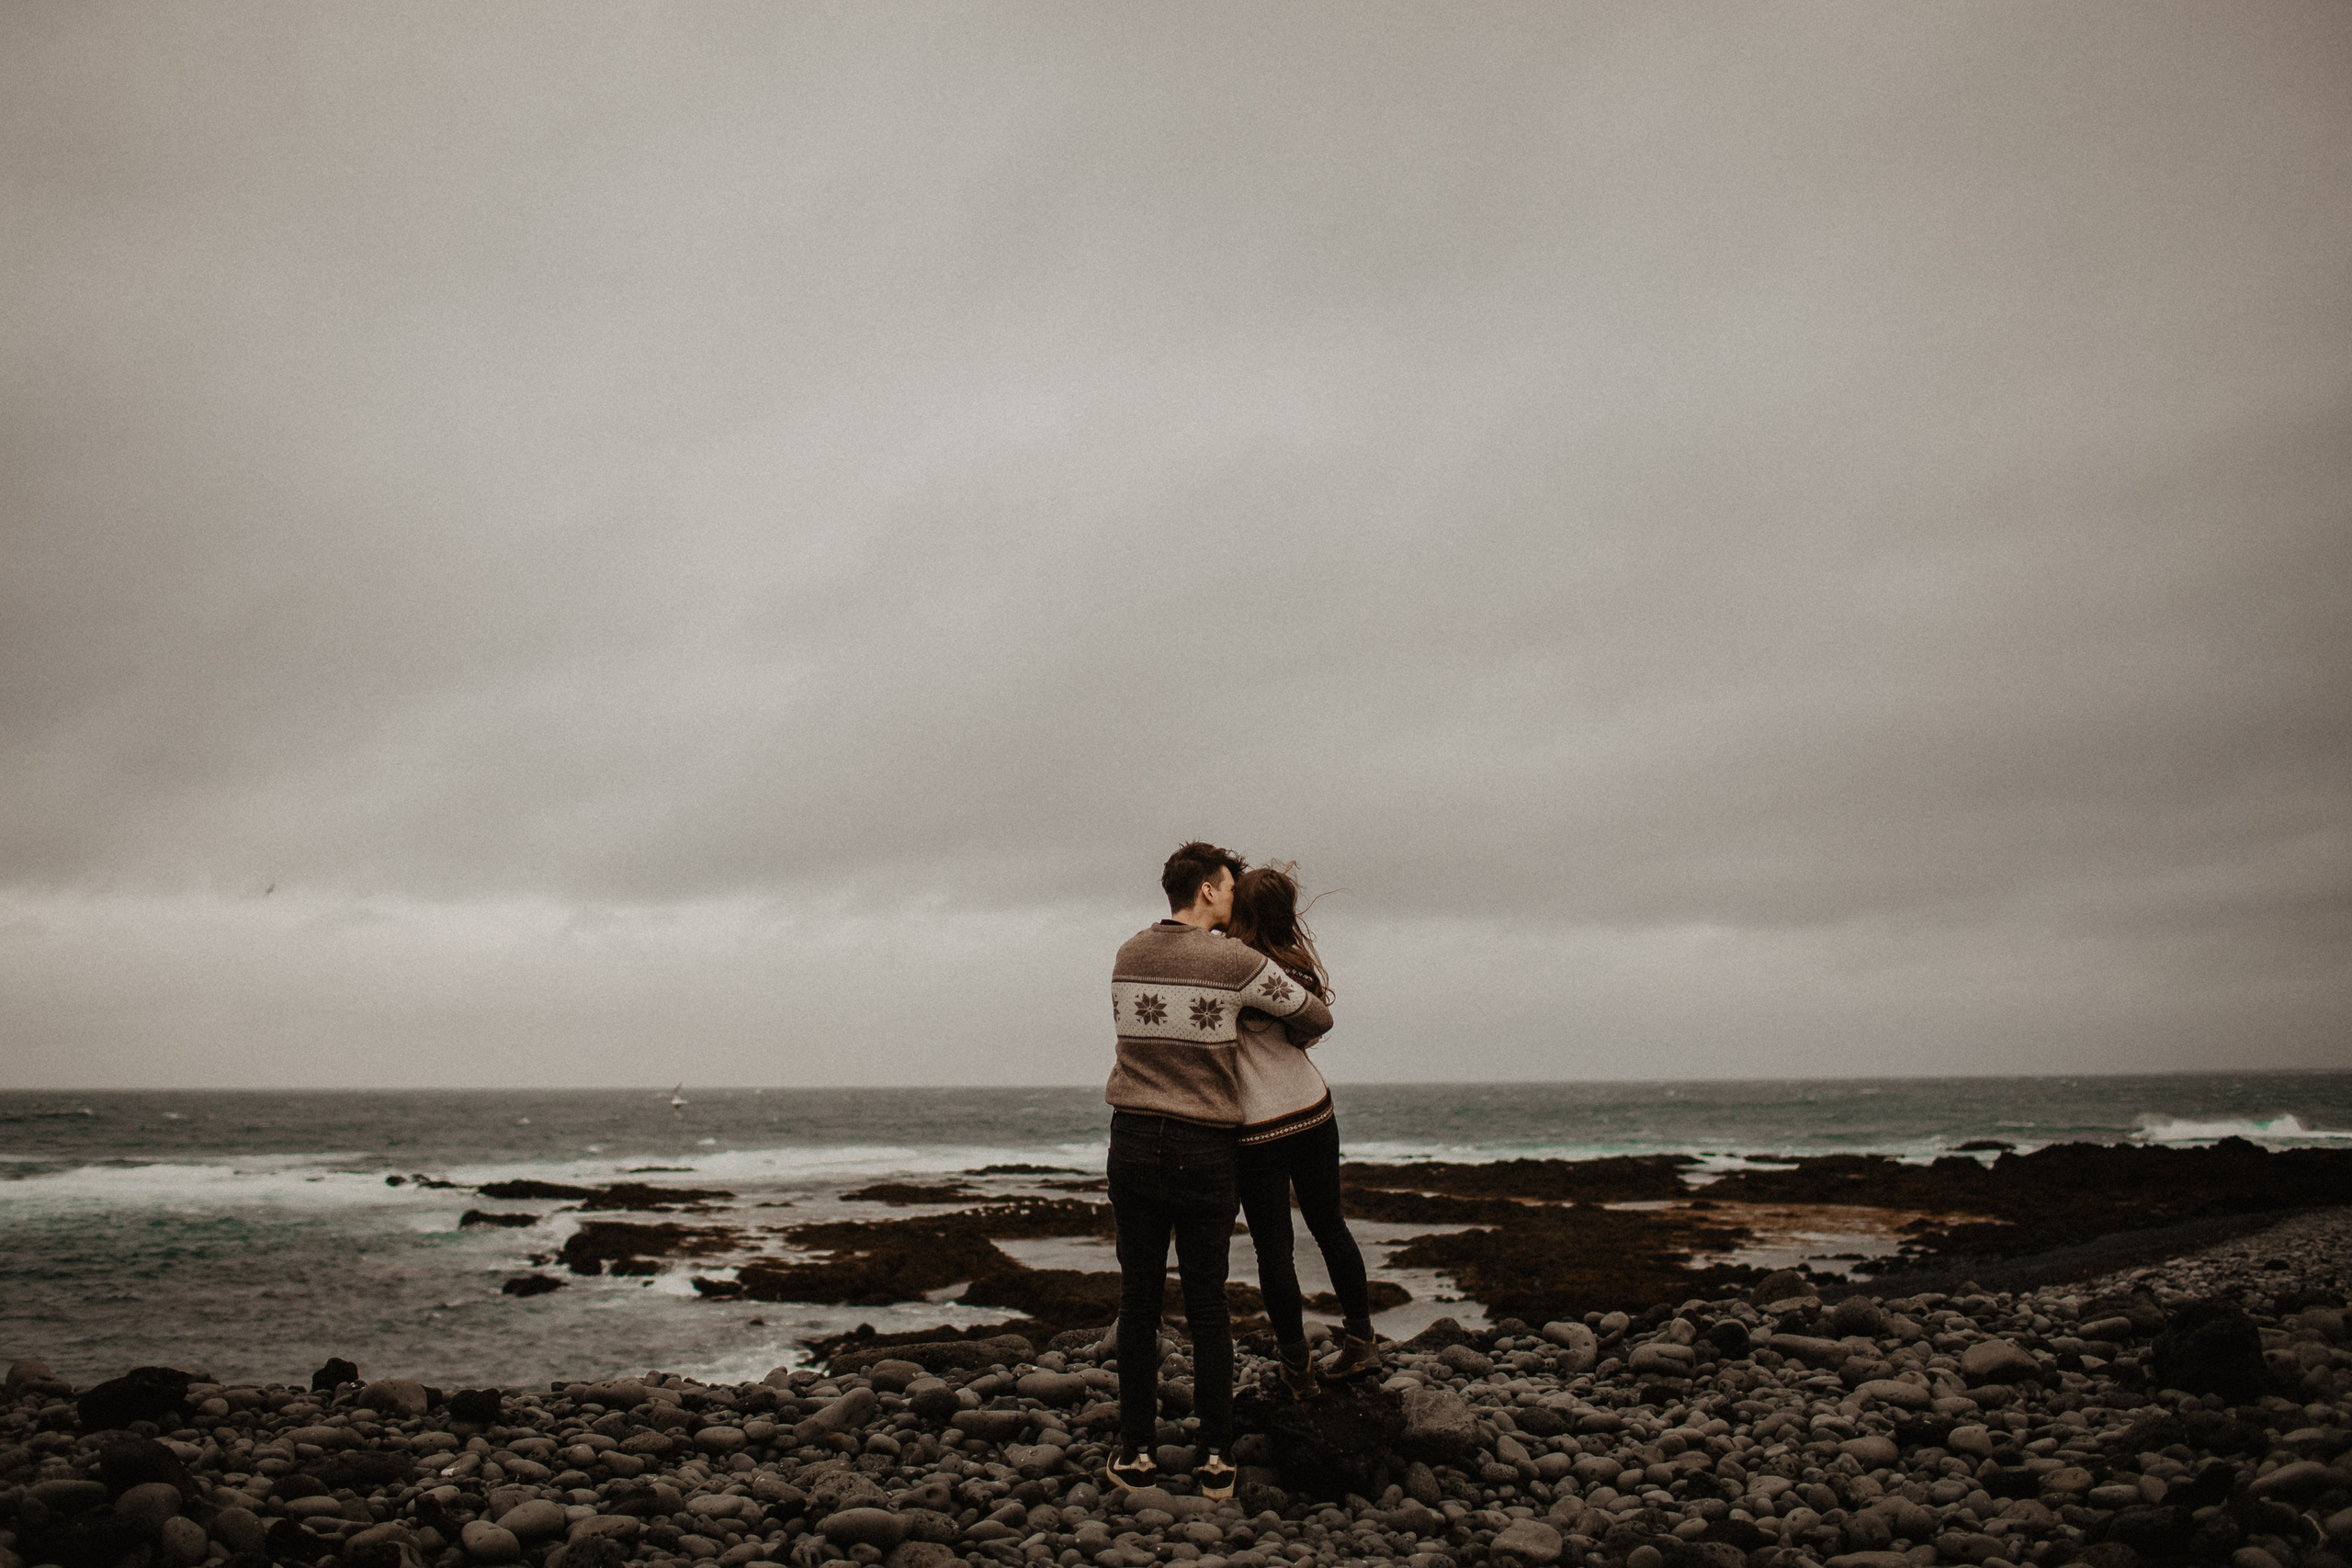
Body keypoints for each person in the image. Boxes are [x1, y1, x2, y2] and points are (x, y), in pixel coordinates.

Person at [1104, 840, 1334, 1497]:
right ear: (1207, 889)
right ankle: (1214, 1455)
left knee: (1139, 1297)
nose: (1234, 898)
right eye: (1229, 886)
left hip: (1133, 1138)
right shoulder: (1235, 961)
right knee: (1208, 1303)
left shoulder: (1127, 952)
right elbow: (1316, 1014)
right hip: (1206, 1145)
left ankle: (1136, 1450)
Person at [1226, 863, 1379, 1397]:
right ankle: (1362, 1343)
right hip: (1313, 1108)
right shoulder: (1293, 967)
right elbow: (1309, 1031)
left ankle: (1297, 1370)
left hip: (1257, 1126)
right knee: (1330, 1226)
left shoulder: (1229, 967)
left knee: (1274, 1250)